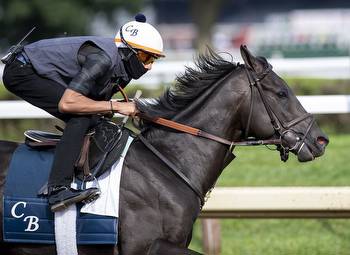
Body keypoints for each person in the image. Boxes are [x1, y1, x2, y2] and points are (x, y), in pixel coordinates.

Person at [2, 14, 165, 212]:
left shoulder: (124, 69)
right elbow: (69, 103)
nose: (148, 66)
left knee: (94, 116)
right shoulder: (102, 59)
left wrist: (112, 106)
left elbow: (97, 104)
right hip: (22, 71)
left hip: (38, 70)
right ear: (128, 51)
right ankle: (57, 189)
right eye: (146, 57)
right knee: (80, 115)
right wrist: (116, 106)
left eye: (153, 59)